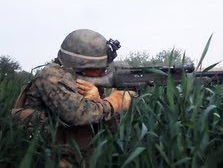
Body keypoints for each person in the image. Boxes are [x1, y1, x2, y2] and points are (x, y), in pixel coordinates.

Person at [12, 29, 134, 166]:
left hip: (79, 155)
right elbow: (76, 115)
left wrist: (98, 101)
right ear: (79, 65)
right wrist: (114, 102)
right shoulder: (52, 76)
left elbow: (109, 130)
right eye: (98, 69)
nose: (102, 73)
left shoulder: (82, 81)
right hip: (46, 157)